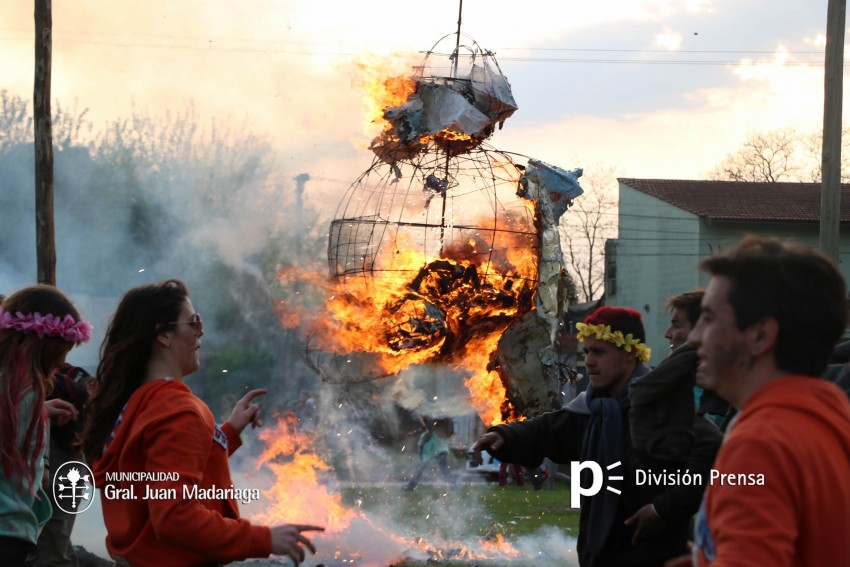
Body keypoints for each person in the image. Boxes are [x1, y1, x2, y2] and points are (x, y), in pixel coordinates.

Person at [81, 279, 323, 566]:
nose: (201, 332)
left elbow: (157, 470)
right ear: (164, 336)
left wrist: (227, 433)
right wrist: (263, 539)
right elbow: (175, 518)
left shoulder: (134, 403)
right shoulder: (178, 410)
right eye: (193, 322)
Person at [474, 306, 718, 566]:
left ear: (629, 354)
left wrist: (663, 509)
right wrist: (505, 435)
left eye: (599, 352)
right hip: (602, 554)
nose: (589, 361)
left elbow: (712, 450)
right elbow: (548, 429)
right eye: (587, 351)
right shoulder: (592, 408)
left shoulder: (660, 404)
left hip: (656, 553)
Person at [669, 236, 850, 566]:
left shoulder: (761, 442)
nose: (694, 337)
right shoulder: (830, 416)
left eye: (709, 319)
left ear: (760, 336)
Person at [0, 286, 91, 567]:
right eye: (60, 351)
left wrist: (40, 410)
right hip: (10, 532)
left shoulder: (15, 389)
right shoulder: (27, 390)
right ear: (41, 345)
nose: (63, 362)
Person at [36, 363, 95, 567]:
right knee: (55, 539)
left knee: (53, 542)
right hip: (68, 450)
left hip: (58, 451)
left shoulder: (23, 362)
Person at [403, 417, 455, 491]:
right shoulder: (435, 421)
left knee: (420, 469)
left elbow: (429, 432)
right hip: (438, 448)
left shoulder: (432, 420)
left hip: (434, 449)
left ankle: (410, 487)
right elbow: (426, 429)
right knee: (444, 469)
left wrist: (423, 441)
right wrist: (414, 434)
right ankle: (453, 487)